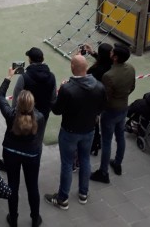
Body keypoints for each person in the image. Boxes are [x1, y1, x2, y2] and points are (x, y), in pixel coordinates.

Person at [45, 54, 106, 210]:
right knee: (85, 160)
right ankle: (83, 194)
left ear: (72, 67)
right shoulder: (99, 86)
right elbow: (102, 107)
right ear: (86, 67)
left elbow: (57, 110)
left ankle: (62, 198)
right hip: (89, 130)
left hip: (70, 131)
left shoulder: (67, 88)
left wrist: (59, 94)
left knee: (67, 163)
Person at [0, 79, 45, 227]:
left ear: (17, 103)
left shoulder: (11, 115)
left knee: (12, 185)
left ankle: (13, 218)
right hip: (31, 154)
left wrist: (7, 78)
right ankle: (35, 218)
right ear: (32, 104)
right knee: (32, 186)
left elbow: (0, 96)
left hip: (11, 152)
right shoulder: (40, 117)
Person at [90, 44, 136, 184]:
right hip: (123, 106)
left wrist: (97, 112)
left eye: (112, 52)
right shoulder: (131, 69)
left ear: (115, 57)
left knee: (107, 142)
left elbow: (105, 98)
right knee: (120, 136)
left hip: (110, 111)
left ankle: (103, 172)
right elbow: (132, 87)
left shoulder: (108, 76)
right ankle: (118, 163)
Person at [11, 47, 57, 123]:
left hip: (24, 118)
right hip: (42, 117)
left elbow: (16, 99)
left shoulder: (24, 77)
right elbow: (53, 99)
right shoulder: (52, 77)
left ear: (30, 60)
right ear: (43, 59)